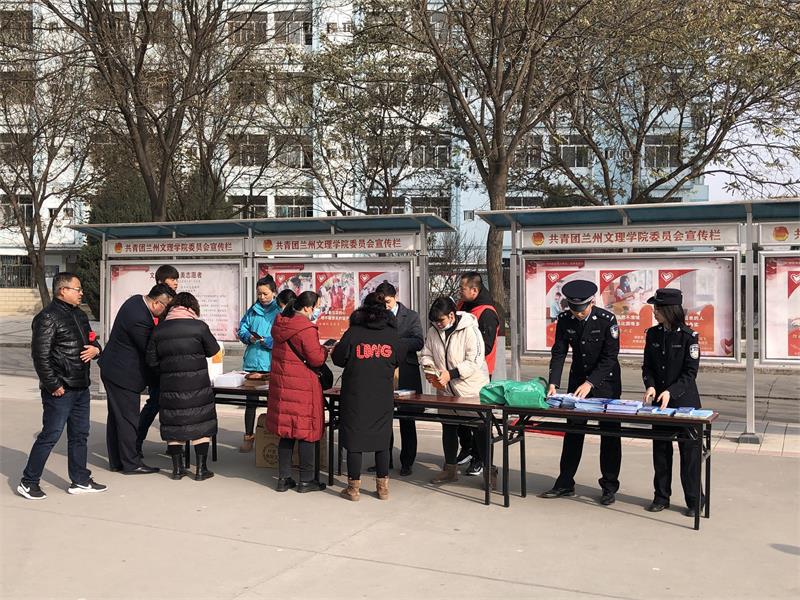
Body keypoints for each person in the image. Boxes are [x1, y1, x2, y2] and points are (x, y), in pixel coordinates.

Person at [17, 273, 107, 499]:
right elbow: (40, 356)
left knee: (80, 435)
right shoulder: (47, 318)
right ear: (63, 291)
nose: (81, 293)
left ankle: (80, 480)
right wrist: (52, 384)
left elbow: (91, 340)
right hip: (61, 390)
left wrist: (96, 349)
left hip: (81, 386)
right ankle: (28, 482)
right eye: (78, 289)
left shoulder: (79, 315)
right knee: (51, 435)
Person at [540, 279, 622, 506]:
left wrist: (591, 383)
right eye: (574, 309)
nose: (577, 313)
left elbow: (610, 357)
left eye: (582, 309)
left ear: (592, 302)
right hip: (577, 383)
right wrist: (553, 382)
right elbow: (559, 352)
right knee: (573, 432)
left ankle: (609, 486)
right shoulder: (565, 319)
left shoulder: (607, 320)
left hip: (605, 384)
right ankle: (565, 482)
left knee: (610, 435)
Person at [99, 283, 175, 474]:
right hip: (123, 374)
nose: (165, 312)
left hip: (114, 369)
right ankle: (131, 463)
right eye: (166, 308)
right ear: (157, 303)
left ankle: (117, 461)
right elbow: (150, 351)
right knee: (128, 419)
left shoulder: (135, 301)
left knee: (117, 418)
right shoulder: (140, 319)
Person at [332, 292, 400, 501]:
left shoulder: (354, 332)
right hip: (382, 394)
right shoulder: (392, 334)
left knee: (355, 438)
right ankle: (382, 488)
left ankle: (353, 489)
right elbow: (398, 359)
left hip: (356, 394)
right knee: (382, 438)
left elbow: (338, 358)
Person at [146, 292, 220, 481]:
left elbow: (151, 361)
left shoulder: (160, 329)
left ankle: (177, 470)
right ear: (193, 308)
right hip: (197, 385)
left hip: (170, 385)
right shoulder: (199, 327)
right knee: (201, 424)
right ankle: (201, 470)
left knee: (174, 425)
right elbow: (213, 350)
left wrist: (167, 371)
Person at [642, 288, 703, 516]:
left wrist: (671, 391)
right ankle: (661, 497)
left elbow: (690, 373)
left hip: (685, 404)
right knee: (661, 452)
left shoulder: (689, 337)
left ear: (670, 310)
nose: (654, 312)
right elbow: (648, 366)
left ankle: (694, 501)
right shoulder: (653, 334)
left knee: (689, 455)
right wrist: (650, 385)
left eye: (657, 309)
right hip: (660, 404)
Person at [419, 297, 491, 486]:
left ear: (451, 315)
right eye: (434, 322)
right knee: (448, 427)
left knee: (479, 429)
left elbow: (475, 360)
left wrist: (451, 374)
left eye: (441, 321)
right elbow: (426, 353)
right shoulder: (433, 331)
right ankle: (450, 469)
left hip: (471, 390)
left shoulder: (470, 330)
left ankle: (489, 470)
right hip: (445, 391)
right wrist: (429, 369)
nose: (438, 324)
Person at [267, 291, 329, 493]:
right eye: (317, 306)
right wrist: (326, 350)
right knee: (306, 432)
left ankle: (283, 479)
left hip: (283, 387)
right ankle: (306, 480)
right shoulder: (306, 328)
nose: (317, 310)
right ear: (308, 307)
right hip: (302, 387)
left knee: (286, 432)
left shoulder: (280, 324)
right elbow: (316, 359)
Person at [365, 281, 424, 476]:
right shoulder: (376, 316)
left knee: (407, 420)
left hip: (406, 372)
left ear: (395, 297)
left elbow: (418, 341)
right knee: (382, 419)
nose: (386, 306)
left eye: (388, 302)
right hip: (382, 373)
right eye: (382, 303)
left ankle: (407, 462)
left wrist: (395, 343)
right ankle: (384, 460)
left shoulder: (411, 316)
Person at [455, 272, 500, 476]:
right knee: (459, 416)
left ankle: (480, 459)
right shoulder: (463, 306)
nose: (460, 291)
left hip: (479, 374)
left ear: (474, 290)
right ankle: (466, 449)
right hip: (458, 371)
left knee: (478, 420)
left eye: (462, 288)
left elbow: (487, 347)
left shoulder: (487, 312)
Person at [136, 264, 179, 458]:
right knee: (154, 404)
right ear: (161, 281)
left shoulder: (174, 303)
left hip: (172, 364)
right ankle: (136, 442)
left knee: (172, 407)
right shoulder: (154, 305)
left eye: (177, 279)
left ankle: (173, 444)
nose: (176, 283)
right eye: (173, 279)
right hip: (158, 366)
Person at [236, 276, 280, 452]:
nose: (262, 297)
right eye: (259, 294)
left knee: (273, 403)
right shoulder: (252, 311)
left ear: (274, 293)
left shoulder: (280, 311)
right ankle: (248, 436)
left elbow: (283, 335)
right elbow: (242, 329)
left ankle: (272, 437)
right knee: (250, 404)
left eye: (265, 293)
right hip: (253, 362)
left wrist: (268, 341)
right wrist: (249, 337)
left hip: (271, 363)